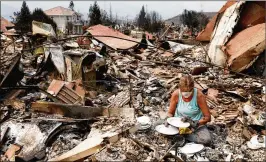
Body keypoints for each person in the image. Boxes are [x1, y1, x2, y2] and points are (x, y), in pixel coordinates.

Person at [165, 74, 212, 145]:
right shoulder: (176, 94)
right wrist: (168, 119)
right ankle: (182, 134)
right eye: (184, 92)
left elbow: (208, 117)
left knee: (206, 140)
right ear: (180, 88)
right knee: (158, 124)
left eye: (189, 91)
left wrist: (196, 123)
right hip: (179, 124)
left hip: (195, 126)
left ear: (193, 88)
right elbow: (170, 113)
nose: (186, 95)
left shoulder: (199, 96)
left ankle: (183, 136)